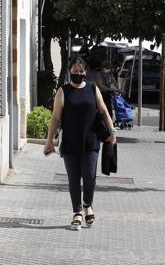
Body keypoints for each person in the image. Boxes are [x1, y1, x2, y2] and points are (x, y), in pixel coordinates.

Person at [43, 57, 117, 231]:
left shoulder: (92, 88)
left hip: (90, 140)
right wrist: (49, 142)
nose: (78, 73)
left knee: (89, 175)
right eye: (74, 71)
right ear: (69, 72)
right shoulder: (63, 91)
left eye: (81, 71)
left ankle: (87, 205)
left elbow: (104, 111)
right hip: (70, 142)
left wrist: (112, 132)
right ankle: (77, 212)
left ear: (86, 72)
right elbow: (55, 118)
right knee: (74, 178)